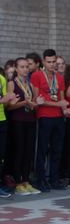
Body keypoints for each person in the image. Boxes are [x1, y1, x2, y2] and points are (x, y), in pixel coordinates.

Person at [31, 49, 69, 192]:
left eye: (54, 62)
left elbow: (61, 98)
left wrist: (64, 109)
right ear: (43, 62)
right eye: (49, 62)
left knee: (57, 149)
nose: (52, 64)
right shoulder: (36, 75)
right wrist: (58, 104)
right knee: (42, 149)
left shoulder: (59, 77)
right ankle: (40, 180)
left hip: (58, 117)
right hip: (44, 116)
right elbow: (37, 99)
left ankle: (54, 179)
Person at [6, 58, 40, 196]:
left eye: (27, 67)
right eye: (22, 67)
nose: (25, 69)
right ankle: (18, 182)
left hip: (30, 120)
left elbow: (33, 103)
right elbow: (9, 106)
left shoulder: (30, 84)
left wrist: (36, 103)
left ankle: (26, 181)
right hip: (17, 120)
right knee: (19, 150)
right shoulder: (11, 83)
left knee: (28, 151)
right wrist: (24, 103)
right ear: (16, 68)